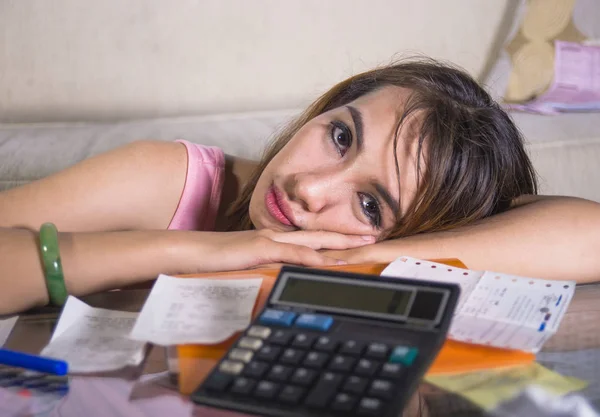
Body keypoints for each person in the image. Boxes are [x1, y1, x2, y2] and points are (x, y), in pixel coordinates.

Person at [1, 58, 599, 315]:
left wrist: (360, 258)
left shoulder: (383, 263)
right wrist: (198, 250)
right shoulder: (170, 178)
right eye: (340, 136)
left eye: (370, 204)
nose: (311, 188)